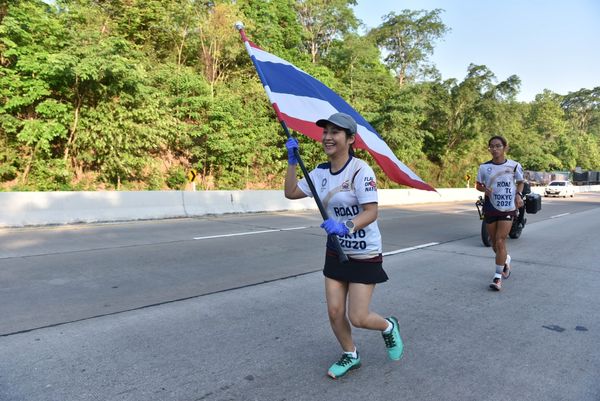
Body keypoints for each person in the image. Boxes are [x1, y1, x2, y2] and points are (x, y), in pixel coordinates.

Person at [284, 112, 403, 379]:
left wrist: (345, 226)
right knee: (335, 312)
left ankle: (388, 326)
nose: (327, 137)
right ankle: (351, 354)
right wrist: (292, 163)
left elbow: (371, 212)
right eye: (325, 132)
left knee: (359, 317)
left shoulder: (360, 170)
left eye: (335, 132)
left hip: (364, 252)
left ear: (350, 139)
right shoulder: (318, 172)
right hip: (336, 251)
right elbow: (291, 193)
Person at [476, 135, 525, 291]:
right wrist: (484, 189)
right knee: (493, 243)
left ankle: (497, 278)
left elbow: (521, 182)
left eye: (498, 146)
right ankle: (506, 260)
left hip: (508, 207)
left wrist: (518, 195)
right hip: (491, 206)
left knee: (500, 240)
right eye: (492, 146)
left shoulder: (515, 166)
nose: (494, 149)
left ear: (505, 147)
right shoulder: (484, 167)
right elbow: (478, 185)